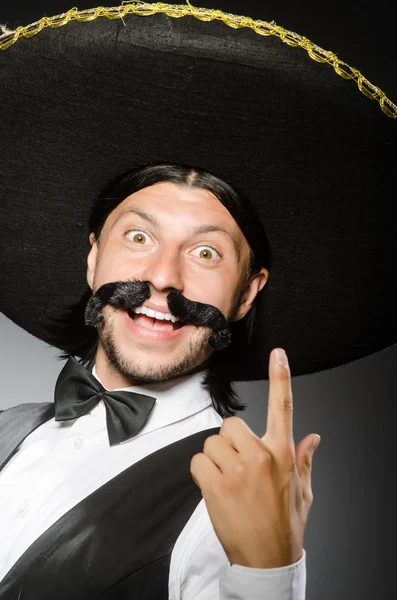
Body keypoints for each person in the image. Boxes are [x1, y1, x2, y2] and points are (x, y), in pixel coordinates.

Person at [0, 3, 395, 600]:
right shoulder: (10, 431)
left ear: (247, 292)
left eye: (206, 253)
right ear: (91, 259)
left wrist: (268, 571)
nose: (163, 278)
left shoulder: (232, 504)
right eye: (139, 237)